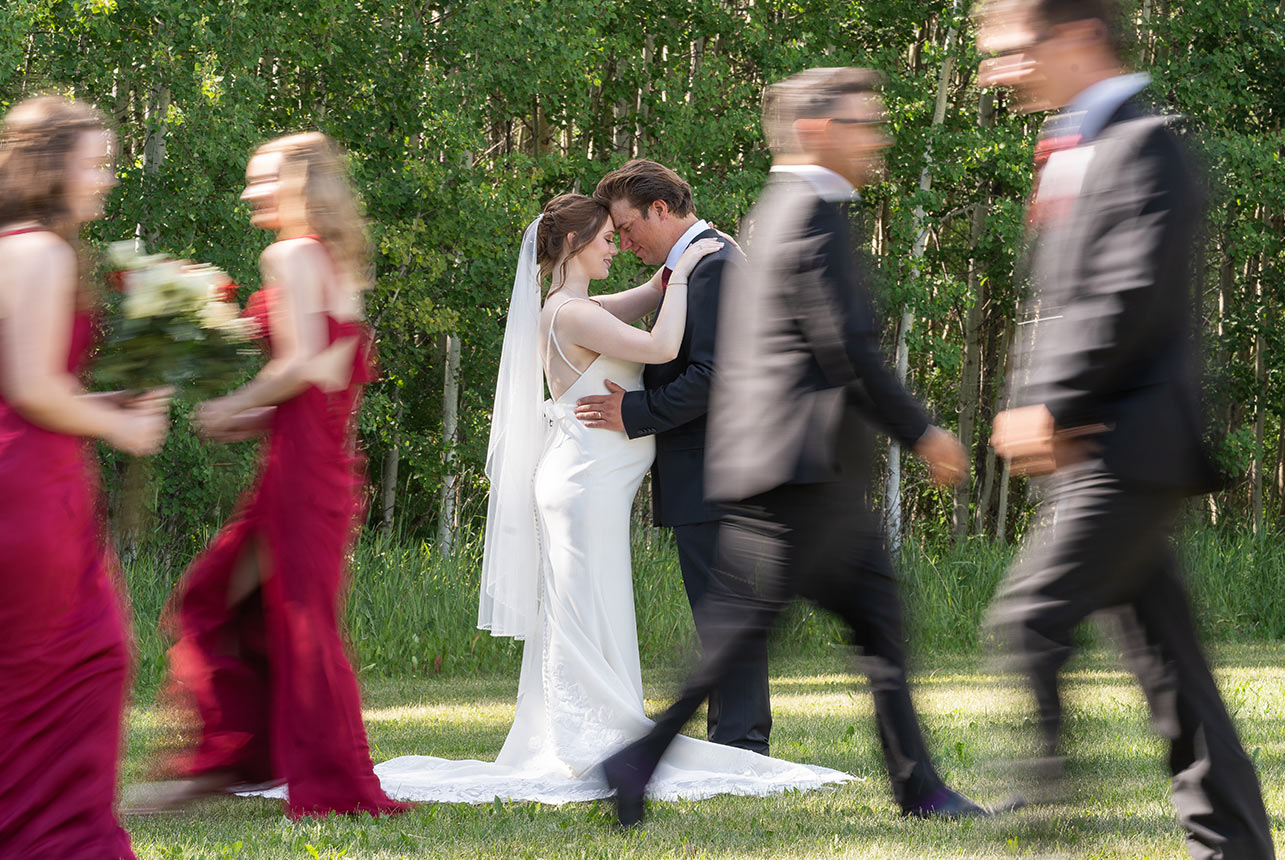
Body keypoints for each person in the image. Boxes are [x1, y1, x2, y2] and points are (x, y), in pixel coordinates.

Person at [367, 193, 850, 803]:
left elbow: (647, 296)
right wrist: (691, 261)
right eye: (604, 236)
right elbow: (663, 346)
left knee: (595, 610)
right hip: (583, 486)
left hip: (592, 485)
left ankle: (599, 728)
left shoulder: (577, 307)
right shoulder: (572, 315)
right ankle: (590, 736)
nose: (614, 244)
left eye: (620, 231)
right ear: (572, 245)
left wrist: (682, 262)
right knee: (586, 611)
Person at [599, 67, 986, 828]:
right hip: (799, 473)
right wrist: (922, 431)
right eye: (863, 124)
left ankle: (639, 759)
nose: (874, 140)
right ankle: (919, 790)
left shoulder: (778, 209)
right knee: (851, 626)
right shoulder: (806, 213)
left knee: (820, 627)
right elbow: (845, 346)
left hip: (781, 468)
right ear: (817, 129)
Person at [977, 2, 1275, 858]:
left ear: (1078, 36)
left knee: (1030, 619)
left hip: (1126, 443)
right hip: (1100, 451)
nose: (1001, 73)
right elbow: (1065, 302)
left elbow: (1128, 294)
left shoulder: (1150, 145)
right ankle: (1234, 845)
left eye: (1013, 52)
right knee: (1173, 672)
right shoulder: (1083, 145)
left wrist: (1053, 403)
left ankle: (1041, 828)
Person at [144, 132, 410, 818]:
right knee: (245, 606)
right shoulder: (338, 262)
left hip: (302, 472)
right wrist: (257, 413)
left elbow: (302, 366)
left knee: (269, 615)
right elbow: (328, 373)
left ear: (300, 183)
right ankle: (238, 758)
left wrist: (233, 403)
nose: (249, 193)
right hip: (318, 463)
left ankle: (283, 770)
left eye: (262, 180)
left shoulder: (289, 253)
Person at [0, 96, 170, 859]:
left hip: (33, 481)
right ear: (51, 165)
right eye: (95, 162)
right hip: (33, 496)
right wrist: (121, 423)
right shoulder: (40, 251)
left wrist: (106, 400)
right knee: (82, 662)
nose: (106, 178)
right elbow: (33, 387)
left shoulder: (14, 246)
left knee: (35, 684)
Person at [577, 160, 771, 754]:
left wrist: (634, 413)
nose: (626, 240)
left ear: (660, 209)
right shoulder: (693, 265)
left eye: (629, 227)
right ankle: (735, 737)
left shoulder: (712, 267)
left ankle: (742, 745)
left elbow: (717, 375)